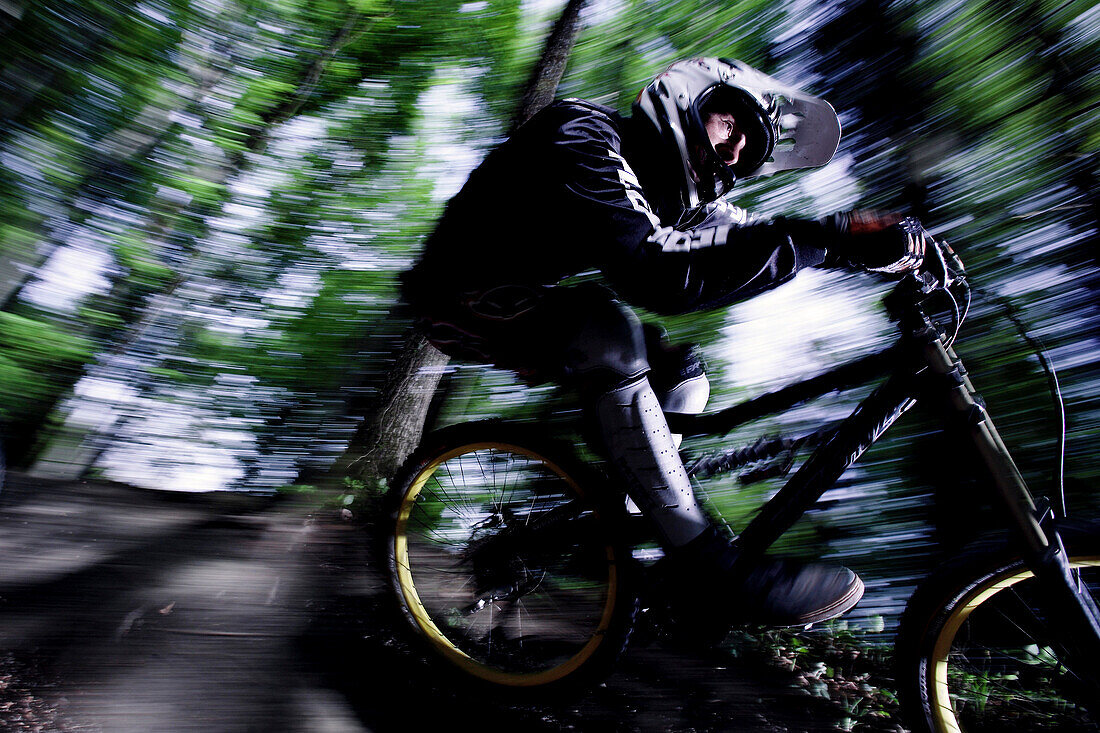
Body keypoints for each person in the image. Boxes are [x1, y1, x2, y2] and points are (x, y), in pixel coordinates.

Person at [401, 57, 925, 626]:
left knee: (682, 374)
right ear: (691, 98)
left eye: (749, 154)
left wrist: (860, 248)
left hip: (520, 297)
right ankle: (712, 566)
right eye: (733, 127)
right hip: (454, 294)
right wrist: (826, 238)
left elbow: (745, 240)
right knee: (609, 329)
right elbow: (657, 271)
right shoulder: (581, 133)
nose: (733, 153)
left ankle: (616, 532)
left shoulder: (680, 201)